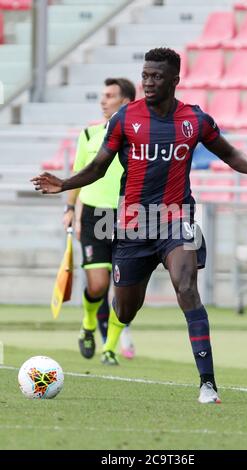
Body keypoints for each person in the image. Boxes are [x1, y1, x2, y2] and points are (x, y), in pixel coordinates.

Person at [32, 48, 247, 404]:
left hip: (176, 220)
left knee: (187, 287)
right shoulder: (125, 118)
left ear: (175, 80)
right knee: (125, 309)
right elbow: (100, 166)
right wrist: (66, 184)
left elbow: (228, 153)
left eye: (156, 76)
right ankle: (109, 327)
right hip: (132, 227)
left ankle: (208, 383)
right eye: (145, 75)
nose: (148, 82)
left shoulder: (194, 120)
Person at [62, 77, 136, 365]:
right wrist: (70, 208)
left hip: (128, 215)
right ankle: (88, 324)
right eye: (102, 95)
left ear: (126, 101)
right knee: (98, 285)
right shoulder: (89, 134)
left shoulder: (137, 136)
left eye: (110, 95)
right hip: (95, 214)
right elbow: (79, 172)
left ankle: (111, 348)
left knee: (125, 287)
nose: (103, 100)